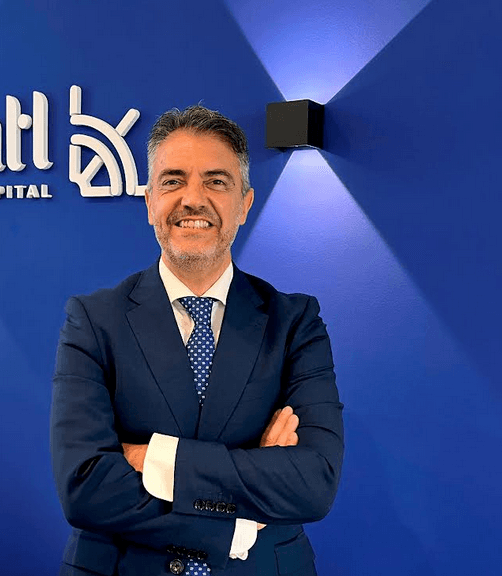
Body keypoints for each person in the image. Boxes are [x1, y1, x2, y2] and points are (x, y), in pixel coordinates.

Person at [51, 105, 344, 576]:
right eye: (173, 181)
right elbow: (85, 488)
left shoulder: (295, 323)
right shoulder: (93, 319)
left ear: (244, 204)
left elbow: (313, 483)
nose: (192, 199)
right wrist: (236, 524)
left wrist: (156, 458)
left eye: (216, 181)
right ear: (149, 202)